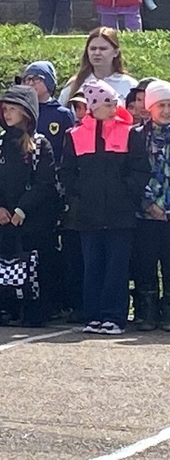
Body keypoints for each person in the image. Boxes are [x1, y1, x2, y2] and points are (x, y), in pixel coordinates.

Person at [59, 80, 149, 335]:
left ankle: (114, 316)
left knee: (117, 267)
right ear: (94, 106)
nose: (114, 106)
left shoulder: (130, 132)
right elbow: (67, 172)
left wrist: (126, 193)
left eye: (114, 101)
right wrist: (79, 197)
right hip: (88, 214)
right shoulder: (75, 135)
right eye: (107, 103)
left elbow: (140, 170)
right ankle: (93, 315)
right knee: (93, 266)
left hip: (120, 214)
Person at [0, 86, 61, 327]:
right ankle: (3, 306)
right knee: (3, 264)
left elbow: (45, 183)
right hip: (3, 219)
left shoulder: (41, 145)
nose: (7, 114)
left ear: (26, 112)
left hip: (31, 220)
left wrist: (23, 209)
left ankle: (33, 311)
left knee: (33, 266)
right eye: (5, 109)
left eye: (12, 109)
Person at [20, 60, 78, 318]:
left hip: (51, 190)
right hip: (24, 189)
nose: (31, 83)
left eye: (37, 79)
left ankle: (54, 300)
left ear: (50, 84)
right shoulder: (22, 112)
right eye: (27, 79)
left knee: (50, 248)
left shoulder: (61, 114)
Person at [133, 80, 170, 331]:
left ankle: (167, 312)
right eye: (161, 105)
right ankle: (146, 312)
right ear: (150, 107)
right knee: (145, 263)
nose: (166, 111)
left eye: (169, 105)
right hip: (144, 212)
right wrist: (148, 204)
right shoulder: (137, 135)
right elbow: (131, 173)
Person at [58, 27, 139, 103]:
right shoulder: (75, 84)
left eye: (103, 49)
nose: (97, 53)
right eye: (93, 49)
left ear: (116, 52)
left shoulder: (130, 85)